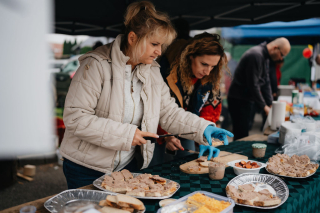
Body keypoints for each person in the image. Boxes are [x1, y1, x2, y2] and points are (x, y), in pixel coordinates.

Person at [60, 1, 233, 189]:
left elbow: (168, 113)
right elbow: (75, 117)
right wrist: (127, 134)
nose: (159, 51)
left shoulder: (152, 71)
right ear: (133, 38)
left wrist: (203, 128)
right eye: (154, 44)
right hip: (86, 168)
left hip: (128, 165)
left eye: (162, 45)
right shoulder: (95, 65)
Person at [156, 32, 230, 161]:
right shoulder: (165, 72)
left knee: (189, 162)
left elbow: (209, 112)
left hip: (192, 130)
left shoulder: (212, 76)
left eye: (213, 66)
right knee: (159, 169)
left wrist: (207, 140)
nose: (207, 71)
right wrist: (167, 135)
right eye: (204, 64)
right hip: (160, 131)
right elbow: (157, 109)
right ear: (190, 56)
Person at [228, 38, 291, 141]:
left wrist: (270, 103)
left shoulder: (264, 56)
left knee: (245, 132)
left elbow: (266, 82)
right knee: (241, 134)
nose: (281, 59)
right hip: (238, 99)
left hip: (246, 100)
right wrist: (264, 107)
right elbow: (253, 84)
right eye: (282, 55)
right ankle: (238, 155)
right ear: (275, 48)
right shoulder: (256, 55)